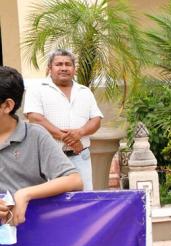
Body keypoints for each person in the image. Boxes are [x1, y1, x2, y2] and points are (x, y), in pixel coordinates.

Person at [0, 66, 82, 227]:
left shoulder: (35, 136)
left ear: (7, 106)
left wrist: (25, 194)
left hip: (29, 233)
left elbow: (74, 180)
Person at [24, 49, 103, 190]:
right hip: (50, 157)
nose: (64, 68)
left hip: (81, 155)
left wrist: (80, 132)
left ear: (74, 69)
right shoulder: (37, 89)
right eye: (59, 64)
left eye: (68, 64)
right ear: (50, 68)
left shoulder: (85, 91)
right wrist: (69, 139)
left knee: (83, 199)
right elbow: (35, 118)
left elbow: (96, 119)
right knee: (53, 201)